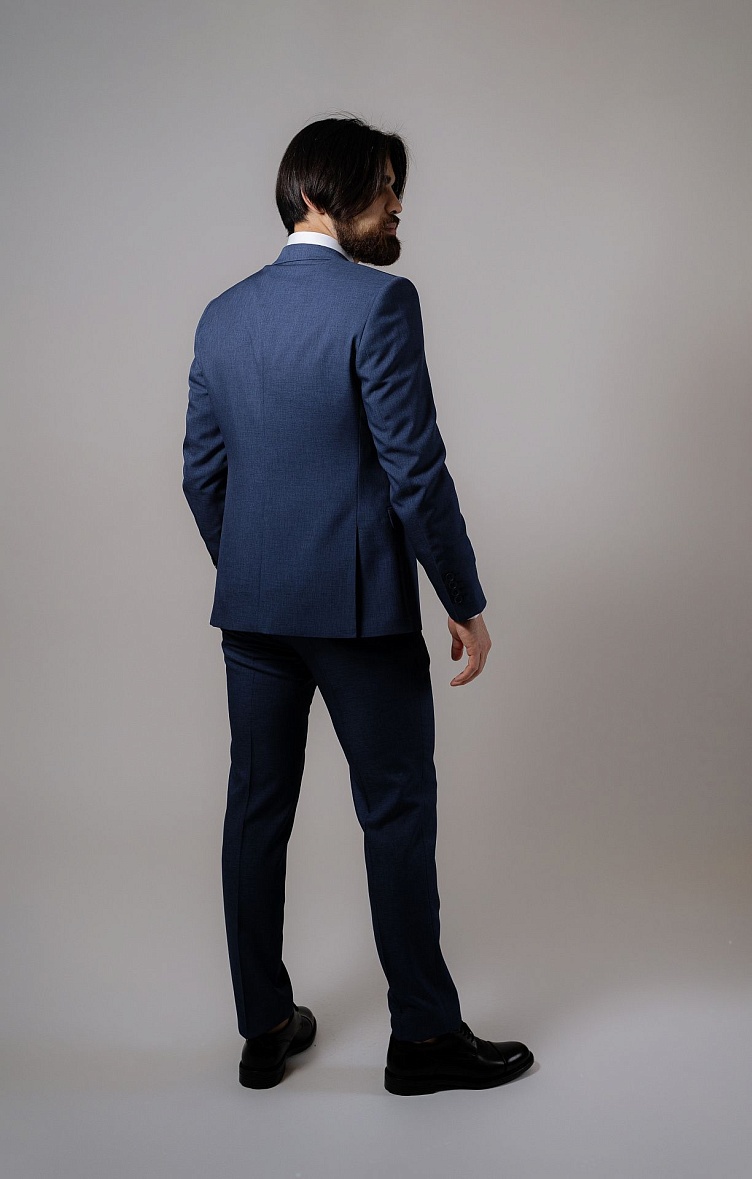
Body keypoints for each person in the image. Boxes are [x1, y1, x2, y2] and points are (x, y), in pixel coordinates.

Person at [182, 114, 534, 1095]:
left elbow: (200, 474)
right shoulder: (380, 302)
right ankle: (423, 1037)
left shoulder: (222, 315)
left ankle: (263, 1028)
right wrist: (461, 596)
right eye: (383, 187)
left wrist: (252, 569)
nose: (397, 206)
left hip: (253, 613)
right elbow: (415, 472)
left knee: (255, 809)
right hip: (359, 612)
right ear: (318, 194)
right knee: (396, 811)